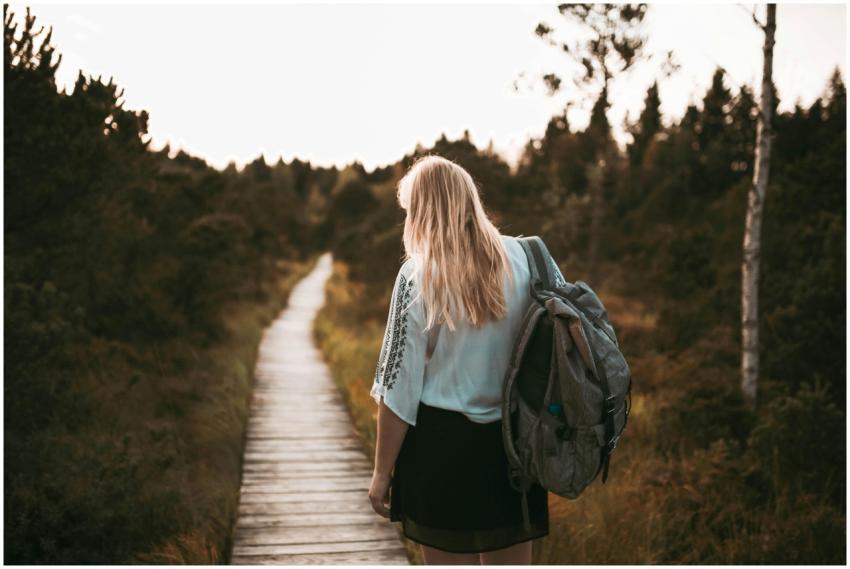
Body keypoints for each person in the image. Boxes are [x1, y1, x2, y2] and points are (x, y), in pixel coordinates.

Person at [367, 154, 563, 564]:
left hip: (440, 451)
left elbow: (398, 387)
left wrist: (382, 473)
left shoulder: (417, 275)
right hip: (513, 448)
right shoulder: (529, 258)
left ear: (421, 211)